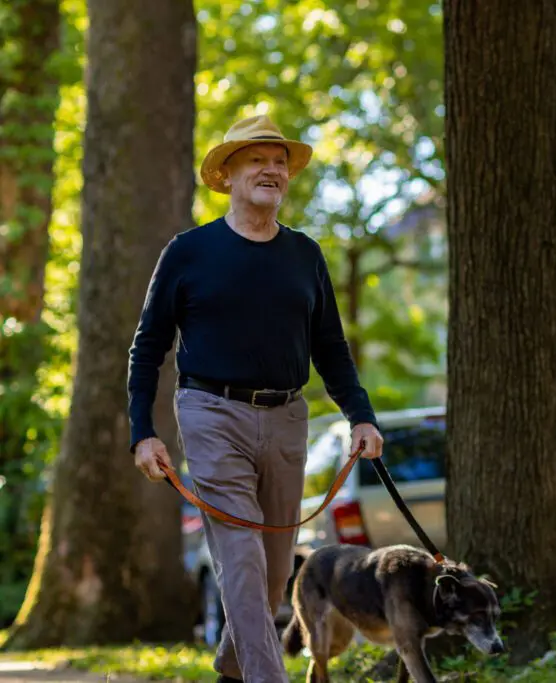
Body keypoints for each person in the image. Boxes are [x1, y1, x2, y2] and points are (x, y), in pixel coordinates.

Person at [126, 114, 383, 683]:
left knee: (271, 572)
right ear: (227, 174)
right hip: (210, 413)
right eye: (257, 159)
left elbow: (331, 348)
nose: (272, 170)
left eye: (279, 161)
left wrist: (361, 416)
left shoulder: (304, 254)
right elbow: (148, 346)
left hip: (288, 416)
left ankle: (233, 670)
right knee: (239, 556)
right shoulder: (189, 252)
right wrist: (142, 431)